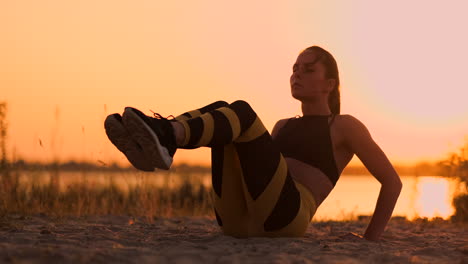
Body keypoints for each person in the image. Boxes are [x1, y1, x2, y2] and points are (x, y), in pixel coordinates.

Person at [104, 46, 402, 240]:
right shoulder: (282, 126)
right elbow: (259, 173)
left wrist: (369, 240)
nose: (297, 74)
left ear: (330, 85)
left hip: (287, 221)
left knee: (241, 113)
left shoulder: (343, 126)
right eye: (295, 69)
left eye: (308, 70)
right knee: (225, 113)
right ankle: (164, 137)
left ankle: (168, 136)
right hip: (238, 223)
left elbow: (392, 182)